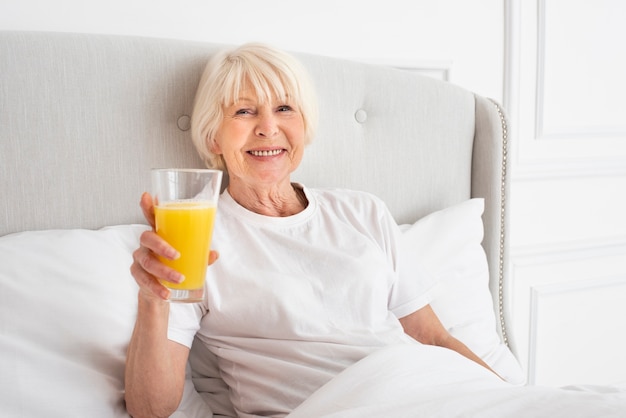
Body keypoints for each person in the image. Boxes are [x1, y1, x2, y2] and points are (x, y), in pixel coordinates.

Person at [124, 43, 498, 418]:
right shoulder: (194, 237)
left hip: (422, 393)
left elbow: (433, 337)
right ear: (213, 138)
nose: (268, 128)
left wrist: (505, 397)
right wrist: (153, 301)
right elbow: (149, 410)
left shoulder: (362, 211)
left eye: (284, 108)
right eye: (244, 111)